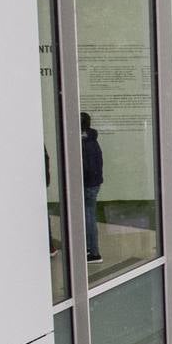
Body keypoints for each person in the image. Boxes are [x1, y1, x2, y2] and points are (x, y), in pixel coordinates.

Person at [80, 112, 103, 263]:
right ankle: (90, 248)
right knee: (89, 215)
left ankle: (94, 252)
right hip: (93, 182)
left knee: (89, 217)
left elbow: (87, 167)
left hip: (89, 184)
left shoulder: (85, 143)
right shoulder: (91, 139)